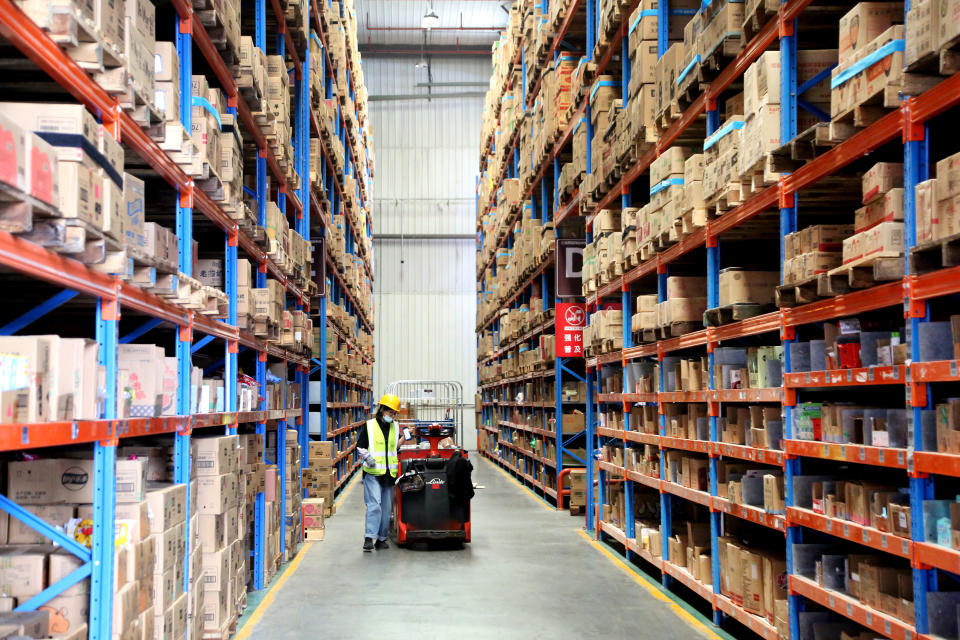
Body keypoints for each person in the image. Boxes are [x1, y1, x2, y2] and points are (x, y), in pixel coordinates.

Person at [357, 393, 402, 551]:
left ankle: (382, 539)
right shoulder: (369, 425)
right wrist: (367, 457)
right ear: (382, 409)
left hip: (389, 474)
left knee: (386, 509)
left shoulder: (395, 427)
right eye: (390, 412)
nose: (392, 415)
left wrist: (406, 437)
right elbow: (360, 446)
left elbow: (394, 447)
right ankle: (369, 537)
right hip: (373, 472)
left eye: (394, 413)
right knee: (374, 505)